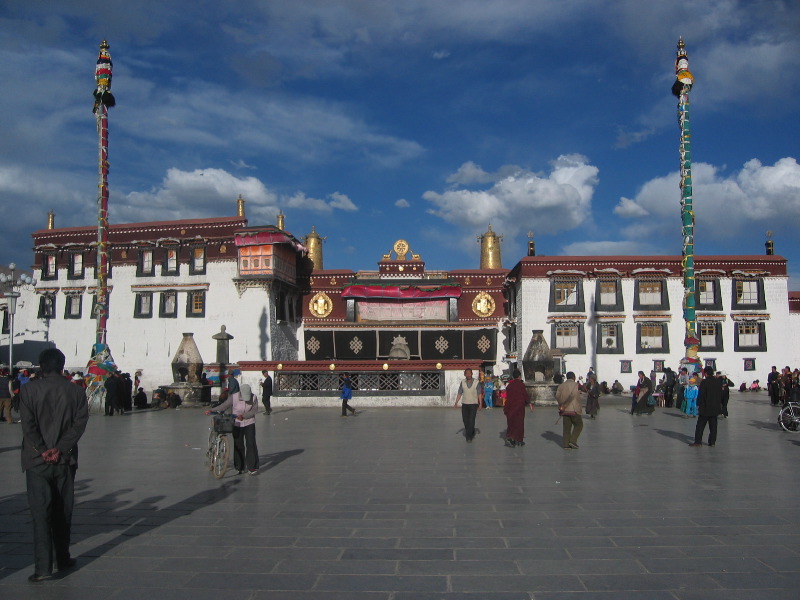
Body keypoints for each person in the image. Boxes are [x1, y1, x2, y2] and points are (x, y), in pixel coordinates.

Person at [19, 347, 89, 582]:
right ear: (61, 365)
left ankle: (43, 568)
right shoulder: (76, 391)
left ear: (41, 365)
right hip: (65, 460)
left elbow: (27, 425)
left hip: (36, 460)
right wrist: (60, 448)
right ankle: (63, 557)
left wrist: (42, 449)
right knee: (63, 510)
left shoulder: (28, 390)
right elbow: (79, 425)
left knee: (41, 513)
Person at [206, 383, 259, 475]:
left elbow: (254, 410)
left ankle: (252, 467)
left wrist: (244, 416)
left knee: (251, 444)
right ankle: (239, 467)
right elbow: (224, 406)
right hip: (237, 423)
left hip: (249, 422)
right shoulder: (234, 397)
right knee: (239, 445)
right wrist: (212, 410)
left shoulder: (254, 397)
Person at [690, 366, 724, 447]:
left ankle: (698, 442)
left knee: (700, 426)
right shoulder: (718, 382)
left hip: (705, 407)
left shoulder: (704, 382)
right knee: (713, 426)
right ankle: (712, 442)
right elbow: (721, 395)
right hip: (715, 407)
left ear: (705, 373)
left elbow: (701, 395)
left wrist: (698, 404)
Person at [503, 369, 533, 447]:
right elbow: (525, 395)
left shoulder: (509, 385)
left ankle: (511, 436)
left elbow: (507, 396)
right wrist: (529, 403)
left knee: (511, 422)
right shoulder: (521, 385)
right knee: (519, 423)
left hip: (510, 406)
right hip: (519, 406)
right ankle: (519, 440)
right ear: (519, 376)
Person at [453, 368, 483, 442]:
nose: (468, 374)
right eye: (467, 373)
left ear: (472, 374)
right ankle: (471, 430)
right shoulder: (462, 382)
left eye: (469, 373)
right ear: (464, 374)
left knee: (471, 420)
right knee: (465, 420)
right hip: (465, 404)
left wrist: (480, 404)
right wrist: (456, 402)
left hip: (473, 404)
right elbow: (460, 392)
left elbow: (479, 393)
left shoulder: (476, 382)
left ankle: (469, 437)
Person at [556, 371, 582, 450]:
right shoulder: (575, 385)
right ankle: (573, 441)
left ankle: (566, 444)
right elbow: (573, 395)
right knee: (579, 425)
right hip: (573, 409)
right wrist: (565, 404)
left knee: (567, 427)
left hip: (565, 410)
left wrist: (561, 405)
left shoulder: (561, 386)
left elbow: (557, 396)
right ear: (573, 377)